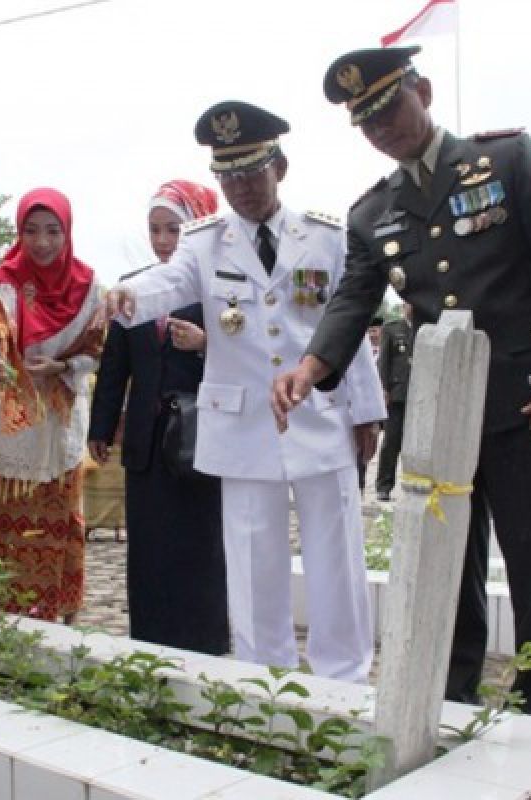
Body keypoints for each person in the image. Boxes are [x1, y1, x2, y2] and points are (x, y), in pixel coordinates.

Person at [272, 47, 531, 716]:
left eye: (391, 107)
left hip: (526, 399)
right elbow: (354, 300)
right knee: (448, 556)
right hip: (441, 411)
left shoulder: (504, 161)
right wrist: (310, 367)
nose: (383, 127)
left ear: (424, 90)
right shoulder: (371, 213)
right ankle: (451, 694)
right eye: (367, 121)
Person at [107, 102, 387, 682]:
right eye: (226, 175)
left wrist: (367, 412)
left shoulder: (326, 238)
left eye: (250, 173)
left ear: (279, 167)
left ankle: (345, 676)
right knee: (254, 557)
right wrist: (126, 297)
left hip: (322, 413)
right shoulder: (203, 242)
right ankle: (266, 678)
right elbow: (170, 282)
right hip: (242, 423)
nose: (239, 187)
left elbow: (350, 328)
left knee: (335, 554)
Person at [88, 179, 229, 655]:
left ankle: (205, 638)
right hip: (147, 439)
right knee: (149, 546)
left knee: (200, 542)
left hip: (199, 437)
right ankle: (150, 638)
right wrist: (101, 427)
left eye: (174, 229)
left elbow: (251, 356)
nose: (164, 240)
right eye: (156, 230)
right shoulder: (136, 288)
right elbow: (115, 365)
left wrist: (208, 345)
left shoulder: (219, 286)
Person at [0, 188, 105, 624]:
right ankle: (0, 621)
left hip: (61, 428)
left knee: (59, 524)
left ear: (67, 232)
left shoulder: (90, 288)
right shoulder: (3, 283)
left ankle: (56, 617)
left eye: (53, 231)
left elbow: (99, 347)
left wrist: (63, 364)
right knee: (4, 530)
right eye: (31, 231)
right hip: (13, 429)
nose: (42, 242)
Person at [375, 302, 414, 504]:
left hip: (419, 396)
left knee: (415, 445)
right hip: (397, 393)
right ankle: (383, 486)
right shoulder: (392, 328)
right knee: (391, 442)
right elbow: (384, 361)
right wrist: (383, 389)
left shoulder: (426, 327)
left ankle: (412, 486)